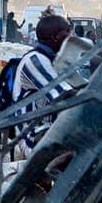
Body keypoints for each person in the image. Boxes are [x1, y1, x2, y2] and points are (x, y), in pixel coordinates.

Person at [12, 14, 72, 150]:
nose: (70, 37)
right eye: (66, 32)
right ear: (55, 37)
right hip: (32, 137)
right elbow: (64, 94)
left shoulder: (55, 59)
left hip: (51, 130)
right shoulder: (35, 60)